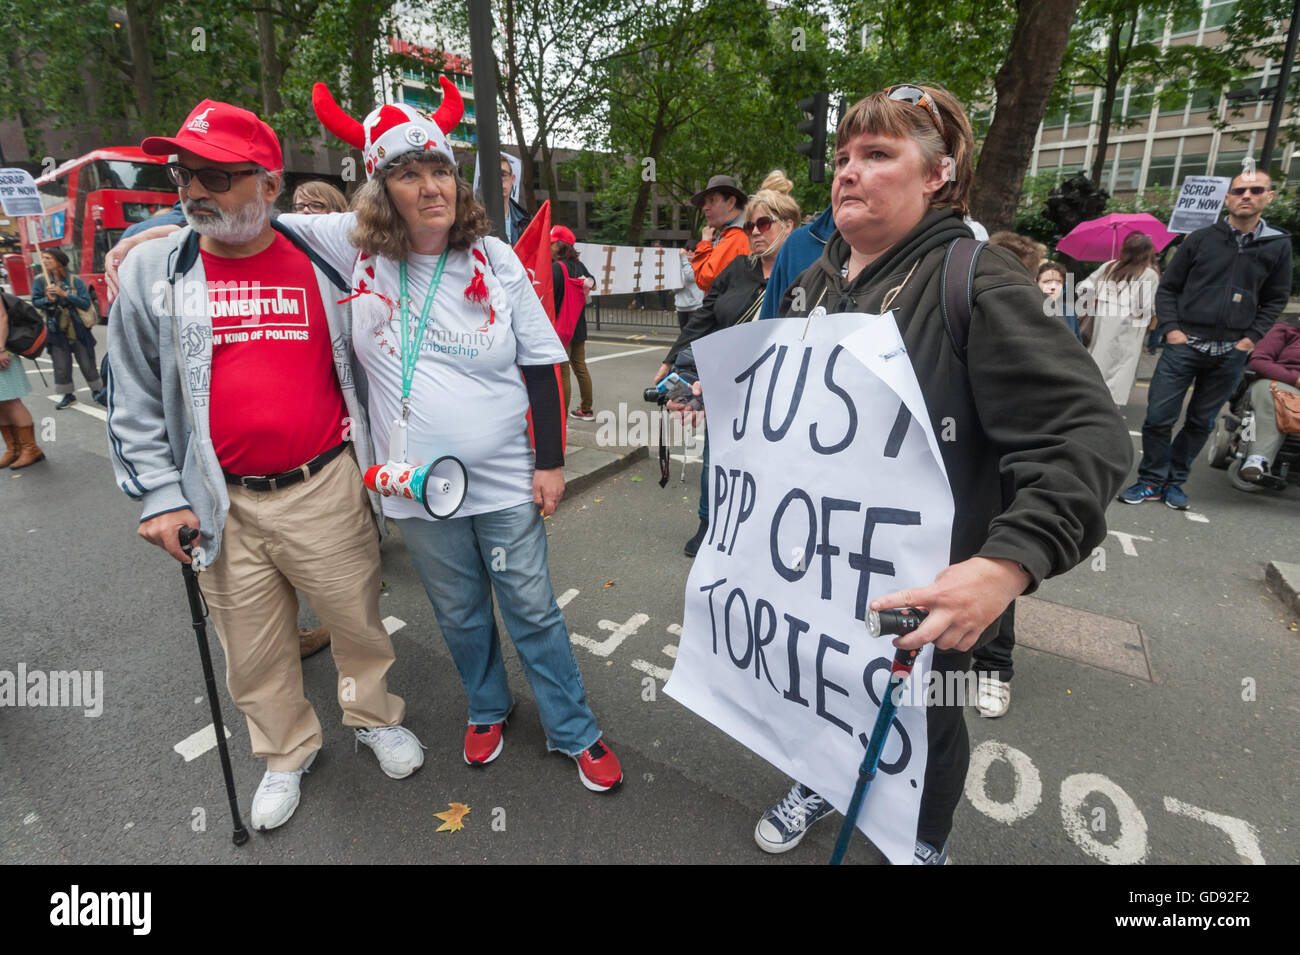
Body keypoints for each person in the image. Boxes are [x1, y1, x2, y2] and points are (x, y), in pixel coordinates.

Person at [699, 84, 1129, 861]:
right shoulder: (813, 281)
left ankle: (923, 839)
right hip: (810, 574)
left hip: (920, 583)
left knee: (925, 713)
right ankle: (821, 780)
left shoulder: (980, 281)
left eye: (877, 155)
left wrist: (1004, 567)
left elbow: (1088, 437)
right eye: (841, 158)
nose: (849, 173)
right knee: (819, 687)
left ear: (938, 175)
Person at [295, 79, 623, 791]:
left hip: (505, 479)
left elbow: (543, 365)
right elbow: (255, 225)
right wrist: (158, 239)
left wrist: (550, 463)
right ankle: (486, 703)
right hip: (416, 488)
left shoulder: (495, 260)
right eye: (409, 173)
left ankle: (573, 727)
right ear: (382, 189)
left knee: (531, 606)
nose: (431, 185)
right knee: (461, 611)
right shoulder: (357, 253)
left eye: (440, 168)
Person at [107, 99, 424, 833]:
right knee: (250, 645)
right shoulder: (157, 266)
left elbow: (416, 223)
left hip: (325, 482)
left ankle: (373, 715)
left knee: (357, 621)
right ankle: (286, 750)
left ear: (269, 185)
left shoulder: (322, 251)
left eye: (217, 176)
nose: (194, 190)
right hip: (219, 499)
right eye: (183, 173)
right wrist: (157, 494)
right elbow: (129, 395)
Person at [1120, 170, 1292, 509]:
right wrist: (1172, 331)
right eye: (1239, 190)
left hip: (1231, 351)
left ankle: (1175, 482)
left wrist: (1249, 339)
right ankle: (1151, 480)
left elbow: (1276, 298)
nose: (1246, 195)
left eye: (1255, 190)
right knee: (1158, 418)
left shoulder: (1277, 244)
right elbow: (1168, 287)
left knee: (1201, 422)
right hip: (1185, 344)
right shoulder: (1199, 239)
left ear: (1269, 196)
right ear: (1227, 198)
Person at [656, 170, 800, 557]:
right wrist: (674, 361)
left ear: (789, 227)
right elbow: (703, 320)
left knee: (771, 464)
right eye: (751, 224)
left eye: (764, 224)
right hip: (729, 386)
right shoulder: (737, 270)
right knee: (717, 457)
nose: (754, 232)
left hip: (779, 394)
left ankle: (765, 530)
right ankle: (709, 523)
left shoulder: (810, 275)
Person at [1076, 233, 1160, 406]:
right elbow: (1146, 307)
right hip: (1129, 327)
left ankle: (1088, 398)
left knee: (1097, 360)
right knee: (1120, 368)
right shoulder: (1149, 274)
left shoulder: (1109, 266)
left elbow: (1084, 286)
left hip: (1101, 322)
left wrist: (1095, 297)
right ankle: (1107, 406)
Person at [33, 249, 104, 409]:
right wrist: (48, 299)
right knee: (61, 364)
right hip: (55, 328)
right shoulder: (40, 280)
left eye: (48, 258)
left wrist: (65, 294)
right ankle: (67, 395)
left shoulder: (74, 280)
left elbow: (85, 303)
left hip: (77, 327)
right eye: (43, 258)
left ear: (58, 260)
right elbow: (35, 301)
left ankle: (97, 391)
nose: (44, 260)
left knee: (87, 361)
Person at [1241, 319, 1300, 481]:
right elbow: (1259, 361)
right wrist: (1295, 379)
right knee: (1272, 395)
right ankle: (1258, 459)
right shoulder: (1286, 331)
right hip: (1283, 384)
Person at [551, 225, 597, 420]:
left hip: (562, 327)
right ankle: (586, 410)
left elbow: (549, 296)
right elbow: (592, 281)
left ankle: (561, 417)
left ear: (560, 245)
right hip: (579, 325)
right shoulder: (579, 266)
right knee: (580, 366)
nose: (549, 247)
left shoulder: (557, 268)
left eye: (551, 243)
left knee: (563, 373)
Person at [0, 294, 45, 468]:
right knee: (1, 403)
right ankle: (13, 449)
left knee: (11, 402)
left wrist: (1, 349)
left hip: (1, 353)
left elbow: (2, 316)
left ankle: (30, 448)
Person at [689, 173, 750, 295]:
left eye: (712, 200)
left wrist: (705, 243)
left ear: (731, 202)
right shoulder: (735, 232)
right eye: (704, 203)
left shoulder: (737, 235)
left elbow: (704, 279)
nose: (705, 208)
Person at [1037, 261, 1081, 341]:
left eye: (1058, 282)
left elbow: (1078, 344)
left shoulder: (1069, 312)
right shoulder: (1027, 309)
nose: (1053, 287)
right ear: (1036, 283)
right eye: (1047, 282)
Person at [500, 155, 532, 244]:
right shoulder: (476, 220)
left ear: (512, 179)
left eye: (503, 175)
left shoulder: (526, 222)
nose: (498, 180)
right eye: (494, 175)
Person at [674, 241, 704, 328]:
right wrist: (677, 286)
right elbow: (673, 286)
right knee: (684, 335)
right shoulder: (678, 266)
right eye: (687, 250)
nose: (690, 252)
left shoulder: (700, 265)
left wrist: (683, 258)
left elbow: (690, 276)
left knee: (693, 336)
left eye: (693, 250)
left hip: (695, 307)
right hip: (680, 307)